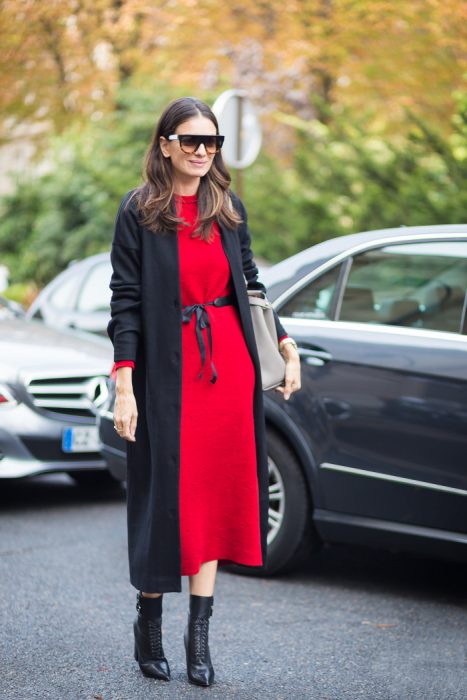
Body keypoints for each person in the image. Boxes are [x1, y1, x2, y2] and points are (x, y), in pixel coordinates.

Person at [107, 96, 301, 687]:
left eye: (211, 143)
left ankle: (199, 640)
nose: (201, 152)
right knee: (166, 495)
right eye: (190, 140)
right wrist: (124, 384)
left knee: (213, 499)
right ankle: (149, 624)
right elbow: (126, 302)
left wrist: (286, 344)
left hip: (228, 370)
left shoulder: (227, 205)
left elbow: (251, 284)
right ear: (165, 143)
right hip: (165, 372)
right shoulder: (139, 210)